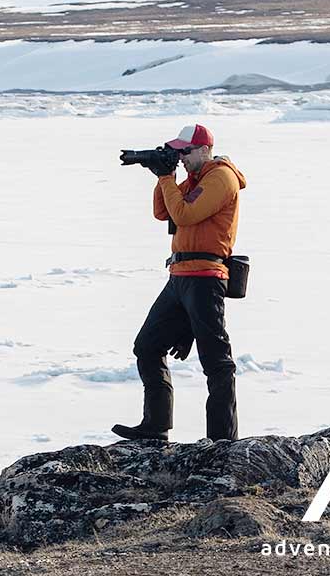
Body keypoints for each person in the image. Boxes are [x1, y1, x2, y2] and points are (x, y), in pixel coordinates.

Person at [112, 123, 246, 442]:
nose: (181, 158)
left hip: (206, 278)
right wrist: (163, 176)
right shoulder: (196, 178)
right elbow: (164, 212)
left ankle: (222, 439)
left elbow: (185, 215)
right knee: (147, 346)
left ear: (203, 150)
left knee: (216, 361)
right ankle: (156, 426)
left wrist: (165, 177)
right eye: (178, 152)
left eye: (184, 152)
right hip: (180, 277)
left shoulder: (221, 177)